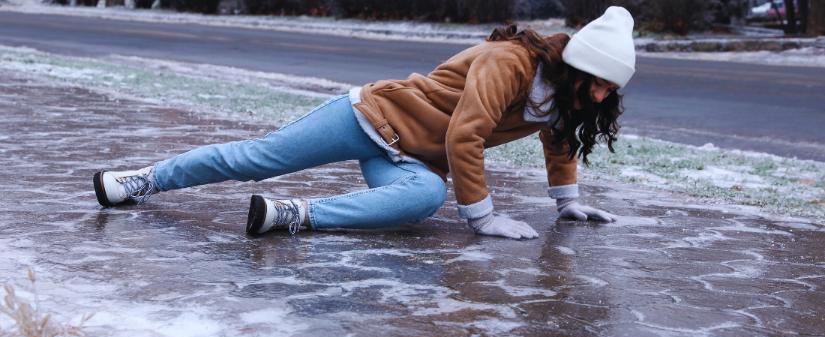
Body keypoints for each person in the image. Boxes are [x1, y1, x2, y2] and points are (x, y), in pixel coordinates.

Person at [93, 6, 635, 240]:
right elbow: (465, 134)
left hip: (411, 158)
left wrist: (567, 203)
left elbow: (559, 137)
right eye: (599, 82)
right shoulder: (510, 63)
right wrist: (484, 218)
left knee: (422, 200)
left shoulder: (564, 96)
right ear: (574, 66)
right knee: (256, 159)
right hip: (370, 116)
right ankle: (141, 180)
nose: (603, 94)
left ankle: (291, 215)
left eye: (611, 89)